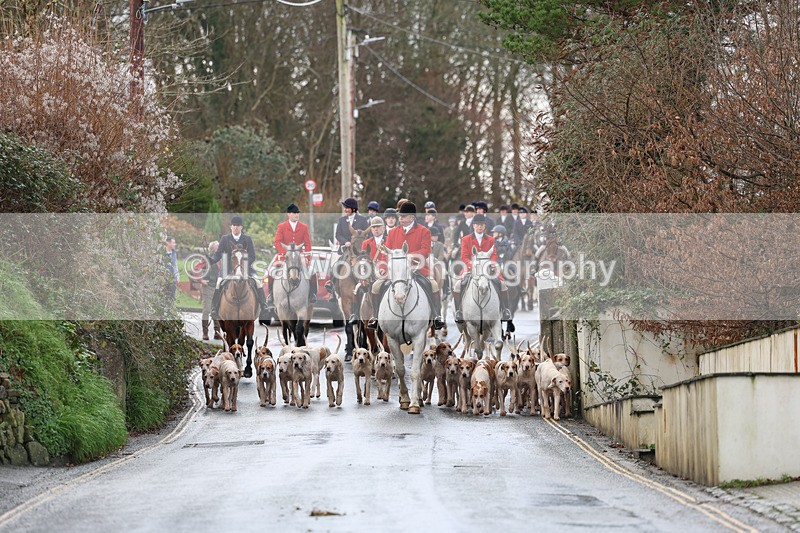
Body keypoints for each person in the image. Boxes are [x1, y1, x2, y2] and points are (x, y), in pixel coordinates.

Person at [366, 201, 445, 331]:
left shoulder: (424, 231)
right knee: (375, 286)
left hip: (418, 268)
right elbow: (387, 254)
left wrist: (410, 256)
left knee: (434, 285)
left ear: (412, 217)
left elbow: (425, 251)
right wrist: (385, 269)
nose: (400, 218)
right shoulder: (392, 233)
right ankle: (375, 317)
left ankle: (437, 316)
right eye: (400, 216)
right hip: (396, 271)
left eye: (403, 216)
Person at [452, 214, 513, 327]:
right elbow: (464, 256)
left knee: (503, 284)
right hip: (470, 267)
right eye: (477, 225)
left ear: (484, 226)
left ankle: (505, 311)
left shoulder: (490, 239)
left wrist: (490, 264)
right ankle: (459, 311)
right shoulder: (465, 239)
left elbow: (494, 254)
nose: (480, 227)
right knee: (457, 286)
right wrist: (471, 265)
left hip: (488, 268)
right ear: (473, 225)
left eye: (482, 225)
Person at [209, 215, 270, 321]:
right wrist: (211, 260)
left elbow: (252, 256)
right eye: (234, 225)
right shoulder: (225, 238)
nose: (236, 227)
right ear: (231, 227)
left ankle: (264, 306)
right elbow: (218, 254)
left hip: (245, 268)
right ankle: (214, 308)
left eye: (238, 226)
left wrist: (243, 265)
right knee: (219, 283)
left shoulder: (247, 239)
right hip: (228, 268)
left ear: (241, 227)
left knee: (258, 282)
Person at [267, 203, 317, 309]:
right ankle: (271, 295)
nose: (296, 215)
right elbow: (277, 242)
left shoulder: (304, 227)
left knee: (312, 271)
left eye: (297, 213)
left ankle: (312, 294)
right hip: (284, 256)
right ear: (288, 214)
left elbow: (308, 243)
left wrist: (307, 257)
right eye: (294, 213)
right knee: (271, 271)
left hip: (299, 256)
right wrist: (285, 253)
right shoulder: (282, 226)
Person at [351, 216, 388, 323]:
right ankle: (356, 314)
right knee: (357, 288)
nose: (376, 229)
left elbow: (388, 257)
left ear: (383, 228)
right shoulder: (366, 242)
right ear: (371, 229)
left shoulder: (388, 240)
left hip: (384, 272)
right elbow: (363, 259)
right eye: (373, 227)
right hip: (369, 272)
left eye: (378, 227)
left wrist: (382, 268)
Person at [199, 241, 222, 341]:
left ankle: (217, 333)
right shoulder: (205, 258)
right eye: (218, 247)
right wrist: (201, 279)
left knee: (216, 310)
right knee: (206, 310)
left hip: (218, 287)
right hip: (208, 286)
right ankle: (205, 333)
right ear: (213, 249)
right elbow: (196, 269)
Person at [164, 236, 179, 304]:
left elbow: (175, 265)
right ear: (168, 243)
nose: (174, 244)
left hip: (172, 278)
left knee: (171, 297)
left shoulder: (174, 253)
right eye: (173, 243)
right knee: (163, 296)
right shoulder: (161, 252)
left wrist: (177, 276)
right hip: (163, 278)